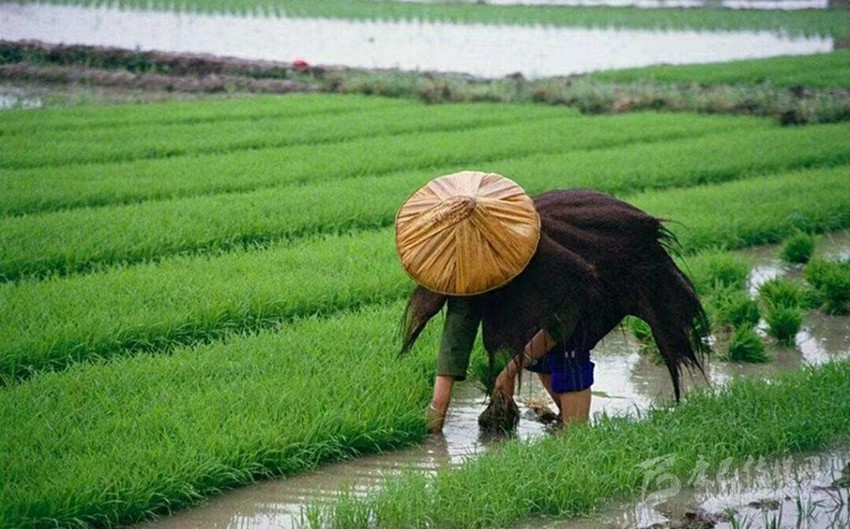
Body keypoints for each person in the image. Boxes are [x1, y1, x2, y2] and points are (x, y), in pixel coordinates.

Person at [395, 171, 710, 433]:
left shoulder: (540, 255)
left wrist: (508, 372)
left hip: (602, 275)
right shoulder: (463, 265)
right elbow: (457, 334)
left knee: (567, 352)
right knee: (536, 355)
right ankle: (565, 420)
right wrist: (437, 413)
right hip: (560, 294)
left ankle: (576, 437)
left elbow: (562, 322)